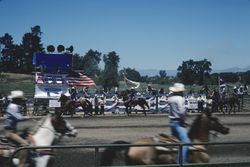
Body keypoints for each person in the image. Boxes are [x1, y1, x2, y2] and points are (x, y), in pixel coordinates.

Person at [167, 83, 190, 164]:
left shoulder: (170, 98)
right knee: (186, 142)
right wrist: (184, 121)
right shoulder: (180, 99)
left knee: (175, 142)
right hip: (178, 123)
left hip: (172, 122)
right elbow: (181, 112)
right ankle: (181, 162)